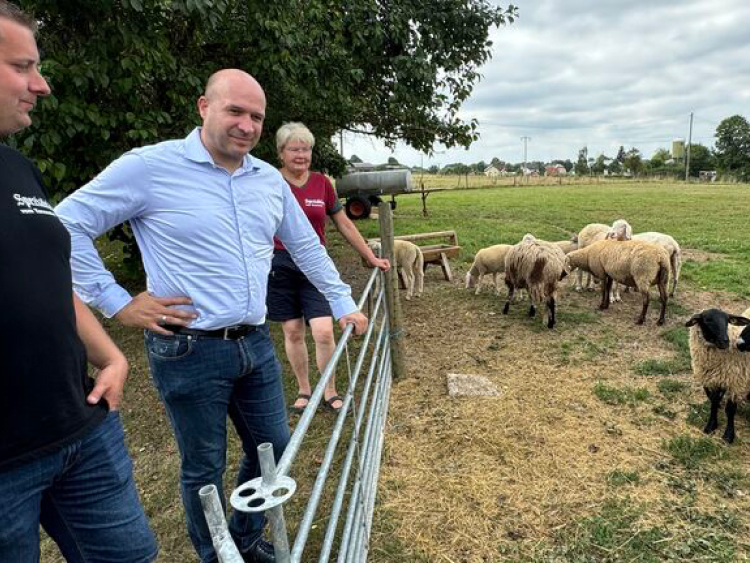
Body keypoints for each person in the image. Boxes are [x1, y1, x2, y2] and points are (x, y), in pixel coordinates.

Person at [55, 69, 368, 563]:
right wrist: (116, 301)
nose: (246, 125)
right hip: (188, 347)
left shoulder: (266, 178)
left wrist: (343, 300)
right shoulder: (150, 167)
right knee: (203, 465)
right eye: (235, 111)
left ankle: (243, 537)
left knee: (274, 446)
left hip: (255, 342)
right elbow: (65, 224)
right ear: (204, 107)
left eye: (257, 117)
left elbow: (306, 246)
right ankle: (215, 555)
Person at [0, 2, 158, 562]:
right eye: (22, 67)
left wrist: (111, 355)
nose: (40, 86)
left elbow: (47, 280)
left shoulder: (18, 168)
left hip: (79, 430)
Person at [269, 122, 389, 414]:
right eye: (294, 149)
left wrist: (369, 257)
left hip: (315, 265)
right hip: (279, 264)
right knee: (293, 330)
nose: (301, 155)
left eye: (306, 149)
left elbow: (344, 223)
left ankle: (329, 389)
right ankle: (304, 389)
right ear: (281, 153)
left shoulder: (322, 183)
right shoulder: (269, 182)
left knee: (323, 331)